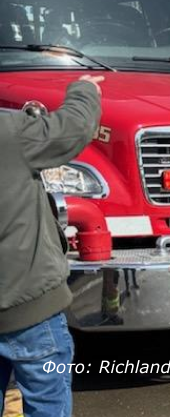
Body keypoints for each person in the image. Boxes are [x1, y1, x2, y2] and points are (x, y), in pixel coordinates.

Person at [0, 75, 103, 417]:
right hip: (29, 309)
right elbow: (73, 128)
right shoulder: (9, 132)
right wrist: (85, 89)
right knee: (46, 403)